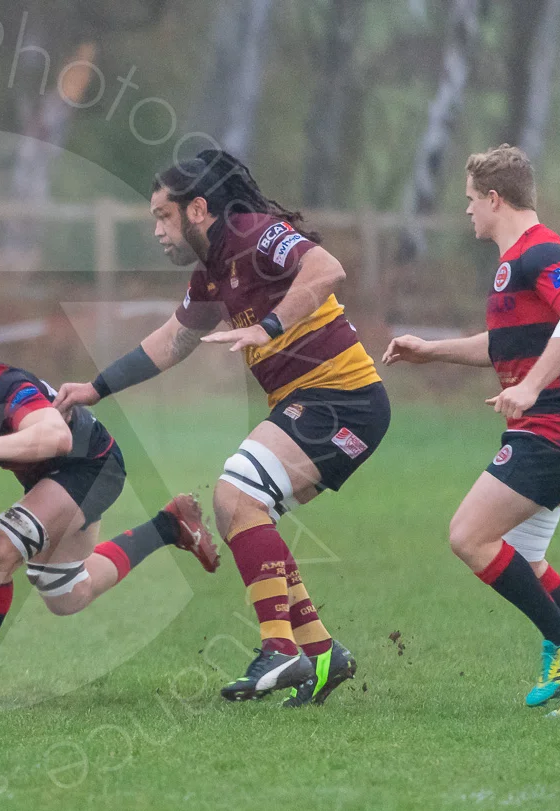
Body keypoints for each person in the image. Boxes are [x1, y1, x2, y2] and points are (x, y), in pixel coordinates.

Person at [56, 149, 389, 706]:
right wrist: (96, 388)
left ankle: (281, 652)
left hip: (342, 398)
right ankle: (323, 652)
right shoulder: (211, 274)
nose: (157, 230)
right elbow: (172, 341)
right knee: (247, 509)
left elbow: (327, 269)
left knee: (236, 492)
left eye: (164, 216)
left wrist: (271, 325)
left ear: (198, 210)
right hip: (314, 402)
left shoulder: (254, 234)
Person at [0, 322, 218, 707]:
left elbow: (58, 437)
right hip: (48, 478)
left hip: (91, 467)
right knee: (66, 596)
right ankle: (167, 526)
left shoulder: (1, 387)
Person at [382, 144, 560, 715]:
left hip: (558, 425)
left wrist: (533, 385)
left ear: (495, 198)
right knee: (525, 557)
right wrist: (429, 352)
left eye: (469, 200)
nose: (465, 211)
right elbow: (505, 345)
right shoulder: (513, 261)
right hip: (542, 426)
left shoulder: (543, 252)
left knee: (469, 536)